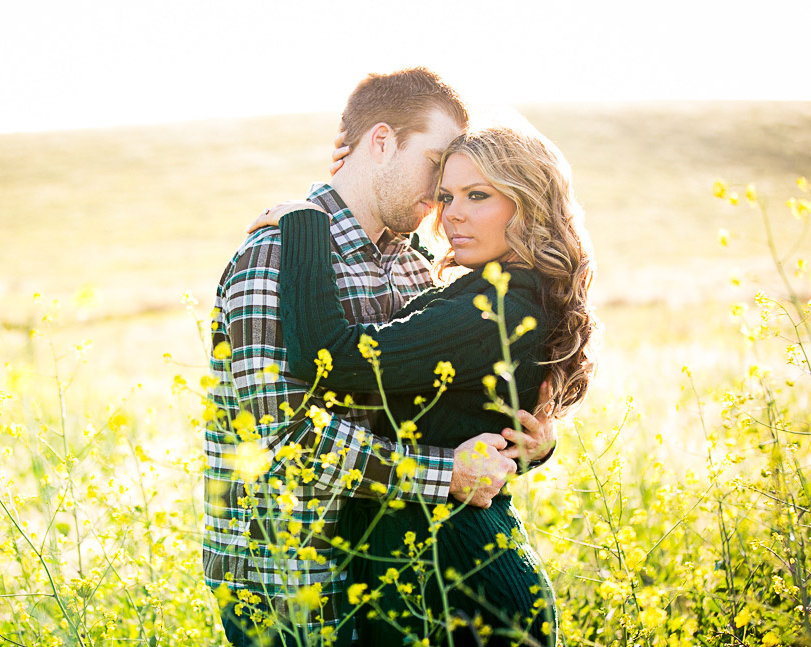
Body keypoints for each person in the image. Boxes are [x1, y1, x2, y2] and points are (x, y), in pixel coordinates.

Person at [203, 68, 557, 647]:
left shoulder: (416, 266)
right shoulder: (275, 253)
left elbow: (447, 412)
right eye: (437, 161)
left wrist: (529, 443)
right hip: (290, 575)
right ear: (382, 142)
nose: (443, 191)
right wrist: (447, 476)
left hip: (394, 574)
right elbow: (285, 442)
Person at [259, 123, 596, 645]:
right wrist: (371, 189)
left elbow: (326, 355)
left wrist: (307, 224)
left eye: (477, 195)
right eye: (445, 196)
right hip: (433, 571)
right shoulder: (498, 293)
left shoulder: (494, 309)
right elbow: (469, 413)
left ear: (528, 204)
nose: (452, 213)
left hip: (461, 581)